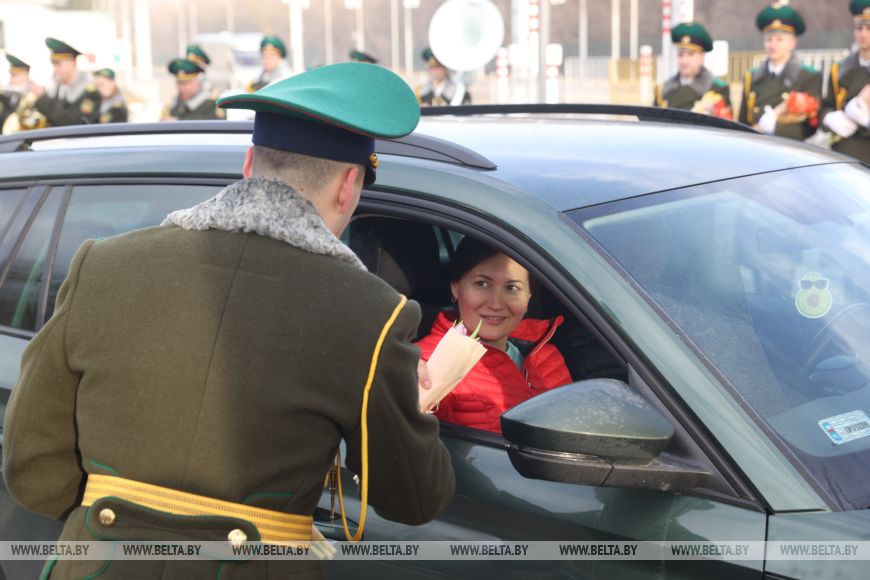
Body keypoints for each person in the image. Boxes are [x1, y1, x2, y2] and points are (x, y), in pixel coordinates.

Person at [3, 62, 454, 579]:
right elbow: (414, 500)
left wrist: (112, 528)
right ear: (350, 185)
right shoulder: (374, 313)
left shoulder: (100, 264)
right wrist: (415, 408)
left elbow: (32, 468)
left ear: (248, 164)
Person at [416, 236, 572, 434]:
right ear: (455, 288)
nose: (496, 304)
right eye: (482, 284)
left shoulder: (547, 355)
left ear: (529, 296)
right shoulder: (427, 362)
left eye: (512, 288)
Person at [738, 2, 822, 140]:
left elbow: (810, 127)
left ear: (792, 42)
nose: (773, 45)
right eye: (768, 39)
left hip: (789, 150)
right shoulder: (751, 76)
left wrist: (774, 127)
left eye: (779, 39)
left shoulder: (808, 76)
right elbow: (742, 121)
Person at [820, 0, 870, 163]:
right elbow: (825, 106)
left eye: (869, 28)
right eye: (859, 28)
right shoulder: (839, 70)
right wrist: (829, 118)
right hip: (843, 158)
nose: (863, 34)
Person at [655, 22, 732, 119]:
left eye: (690, 55)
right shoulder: (663, 90)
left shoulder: (716, 89)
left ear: (702, 57)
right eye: (680, 55)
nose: (684, 61)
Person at [29, 37, 101, 127]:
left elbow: (73, 122)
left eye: (58, 64)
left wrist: (43, 98)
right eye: (53, 64)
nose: (55, 69)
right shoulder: (56, 91)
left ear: (73, 62)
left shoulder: (91, 93)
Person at [160, 57, 225, 121]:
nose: (180, 88)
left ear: (198, 81)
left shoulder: (213, 104)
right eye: (178, 83)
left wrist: (178, 122)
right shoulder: (172, 103)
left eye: (185, 83)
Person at [0, 54, 35, 131]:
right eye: (11, 75)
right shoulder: (9, 95)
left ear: (25, 74)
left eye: (15, 75)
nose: (11, 79)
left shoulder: (33, 95)